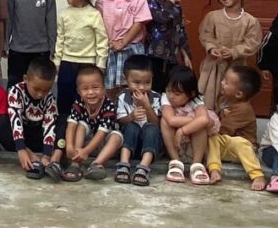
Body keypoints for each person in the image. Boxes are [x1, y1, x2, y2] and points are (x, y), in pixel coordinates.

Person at [198, 0, 262, 111]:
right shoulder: (212, 16)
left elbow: (252, 42)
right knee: (210, 100)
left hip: (237, 69)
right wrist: (211, 48)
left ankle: (230, 128)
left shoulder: (250, 21)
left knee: (232, 101)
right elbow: (205, 35)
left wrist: (234, 52)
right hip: (214, 66)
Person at [54, 0, 108, 121]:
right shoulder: (64, 14)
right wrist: (57, 61)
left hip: (87, 64)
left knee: (84, 98)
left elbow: (102, 41)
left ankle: (83, 127)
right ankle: (63, 127)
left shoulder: (94, 14)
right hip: (67, 62)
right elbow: (60, 39)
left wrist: (101, 64)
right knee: (64, 96)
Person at [96, 0, 152, 99]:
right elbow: (98, 22)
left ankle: (129, 114)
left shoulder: (139, 0)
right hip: (110, 48)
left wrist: (123, 42)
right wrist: (109, 42)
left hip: (131, 48)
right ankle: (111, 114)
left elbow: (138, 23)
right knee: (110, 84)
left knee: (130, 85)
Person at [55, 65, 121, 182]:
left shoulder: (108, 105)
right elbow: (71, 125)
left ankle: (96, 164)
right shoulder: (78, 103)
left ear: (104, 89)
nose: (91, 92)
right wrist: (70, 147)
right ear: (79, 91)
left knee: (117, 136)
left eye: (95, 87)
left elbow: (102, 133)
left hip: (103, 146)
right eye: (85, 89)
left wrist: (86, 151)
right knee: (81, 125)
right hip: (82, 146)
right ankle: (75, 164)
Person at [206, 65, 267, 191]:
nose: (222, 83)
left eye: (226, 82)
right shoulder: (224, 100)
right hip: (226, 144)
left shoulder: (243, 109)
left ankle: (257, 175)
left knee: (239, 142)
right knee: (212, 138)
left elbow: (224, 129)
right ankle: (214, 169)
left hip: (243, 148)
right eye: (223, 79)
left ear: (238, 94)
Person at [0, 56, 60, 179]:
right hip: (20, 137)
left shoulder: (50, 99)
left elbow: (49, 125)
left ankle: (49, 161)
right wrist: (22, 150)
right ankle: (30, 155)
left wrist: (46, 155)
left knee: (63, 122)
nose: (40, 94)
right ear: (26, 79)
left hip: (38, 137)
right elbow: (15, 120)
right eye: (36, 89)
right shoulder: (16, 91)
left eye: (46, 90)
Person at [7, 0, 57, 88]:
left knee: (39, 85)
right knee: (15, 84)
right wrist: (5, 43)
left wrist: (53, 47)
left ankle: (38, 110)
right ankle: (14, 110)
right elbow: (9, 20)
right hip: (18, 50)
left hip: (41, 50)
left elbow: (51, 23)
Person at [159, 64, 216, 185]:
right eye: (169, 90)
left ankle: (197, 164)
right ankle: (175, 162)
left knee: (200, 126)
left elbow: (204, 120)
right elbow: (171, 120)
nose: (171, 96)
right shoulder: (166, 99)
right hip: (175, 144)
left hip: (193, 147)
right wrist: (196, 120)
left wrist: (183, 130)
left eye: (177, 94)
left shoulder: (196, 100)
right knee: (164, 121)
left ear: (191, 93)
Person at [114, 54, 161, 186]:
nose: (141, 87)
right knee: (131, 126)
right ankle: (124, 164)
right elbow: (119, 121)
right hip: (129, 143)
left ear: (152, 79)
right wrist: (131, 117)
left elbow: (156, 123)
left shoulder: (156, 97)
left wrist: (146, 105)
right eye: (136, 83)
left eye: (147, 82)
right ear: (126, 79)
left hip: (149, 145)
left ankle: (143, 167)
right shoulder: (122, 97)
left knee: (151, 128)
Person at [145, 0, 192, 93]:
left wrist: (186, 54)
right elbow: (162, 18)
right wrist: (170, 3)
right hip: (155, 55)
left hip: (172, 55)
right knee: (155, 84)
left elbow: (180, 30)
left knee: (171, 85)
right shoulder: (151, 4)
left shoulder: (177, 6)